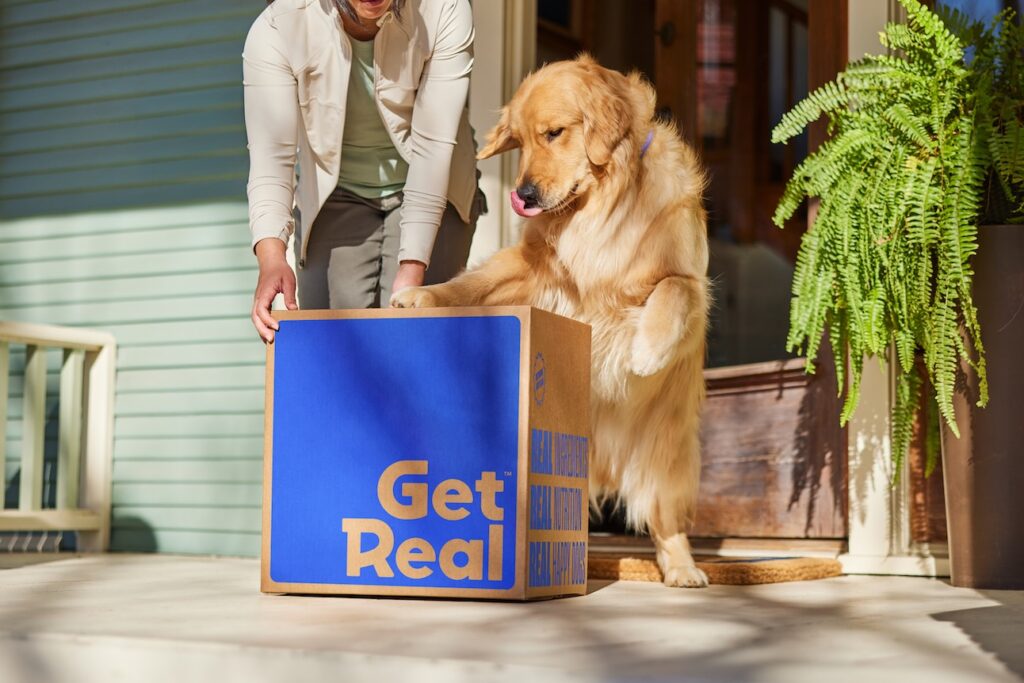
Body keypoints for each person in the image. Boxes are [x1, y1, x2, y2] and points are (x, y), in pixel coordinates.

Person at [243, 0, 482, 342]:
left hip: (436, 189)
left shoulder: (443, 8)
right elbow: (271, 160)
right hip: (337, 194)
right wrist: (271, 259)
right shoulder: (278, 27)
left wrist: (412, 270)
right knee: (335, 349)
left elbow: (433, 148)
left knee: (412, 345)